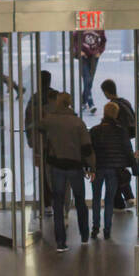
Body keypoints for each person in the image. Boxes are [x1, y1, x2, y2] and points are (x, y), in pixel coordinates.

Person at [39, 91, 93, 251]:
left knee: (58, 202)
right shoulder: (78, 122)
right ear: (69, 103)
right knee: (80, 201)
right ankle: (84, 235)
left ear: (57, 103)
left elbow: (38, 127)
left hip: (57, 167)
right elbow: (87, 147)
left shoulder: (49, 120)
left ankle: (60, 242)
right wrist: (91, 166)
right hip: (75, 167)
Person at [88, 101, 134, 241]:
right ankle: (107, 230)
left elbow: (89, 151)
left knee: (96, 198)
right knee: (109, 199)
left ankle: (95, 227)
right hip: (114, 169)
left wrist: (89, 168)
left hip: (97, 168)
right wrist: (133, 167)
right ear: (116, 114)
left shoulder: (95, 130)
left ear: (104, 112)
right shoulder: (121, 131)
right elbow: (127, 150)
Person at [25, 71, 59, 214]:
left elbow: (28, 122)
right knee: (58, 174)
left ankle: (47, 204)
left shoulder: (34, 99)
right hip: (58, 143)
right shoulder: (57, 97)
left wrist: (32, 142)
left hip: (41, 143)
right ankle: (59, 202)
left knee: (44, 175)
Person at [99, 79, 136, 208]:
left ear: (106, 92)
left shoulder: (112, 106)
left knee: (115, 174)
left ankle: (119, 202)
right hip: (125, 143)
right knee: (121, 171)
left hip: (114, 146)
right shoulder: (126, 102)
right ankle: (129, 197)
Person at [72, 28, 107, 116]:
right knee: (87, 79)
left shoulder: (99, 28)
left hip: (94, 57)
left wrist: (100, 51)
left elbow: (103, 40)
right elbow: (74, 39)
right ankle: (91, 104)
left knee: (89, 81)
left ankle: (83, 101)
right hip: (83, 57)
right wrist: (79, 50)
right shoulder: (81, 26)